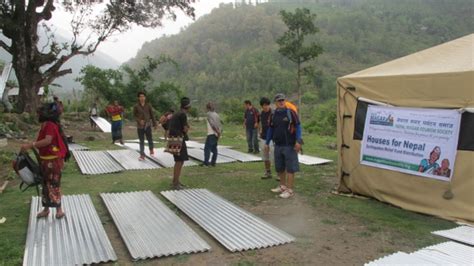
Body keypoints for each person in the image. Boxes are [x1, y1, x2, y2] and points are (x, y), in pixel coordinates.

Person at [21, 103, 68, 219]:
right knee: (45, 184)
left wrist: (30, 145)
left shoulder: (50, 125)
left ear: (44, 114)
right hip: (45, 160)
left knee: (54, 184)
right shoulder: (45, 125)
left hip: (53, 160)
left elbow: (47, 141)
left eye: (38, 113)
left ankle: (59, 210)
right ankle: (46, 209)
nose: (37, 115)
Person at [265, 93, 302, 199]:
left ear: (285, 101)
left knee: (290, 168)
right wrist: (267, 143)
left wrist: (298, 141)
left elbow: (298, 127)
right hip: (278, 145)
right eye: (279, 100)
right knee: (280, 167)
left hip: (289, 145)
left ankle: (289, 190)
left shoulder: (291, 113)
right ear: (275, 103)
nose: (281, 102)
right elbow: (271, 129)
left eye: (283, 100)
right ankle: (282, 186)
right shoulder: (273, 114)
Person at [167, 97, 192, 190]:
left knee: (179, 160)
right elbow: (185, 128)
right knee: (179, 161)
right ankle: (175, 183)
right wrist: (186, 130)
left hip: (174, 138)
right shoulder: (183, 114)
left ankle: (176, 181)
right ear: (188, 106)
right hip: (178, 138)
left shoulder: (177, 113)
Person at [133, 91, 157, 160]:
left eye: (143, 96)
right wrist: (139, 121)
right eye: (140, 97)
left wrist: (155, 124)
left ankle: (151, 150)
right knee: (141, 140)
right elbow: (134, 116)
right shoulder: (136, 106)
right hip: (140, 126)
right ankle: (142, 155)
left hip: (148, 125)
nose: (142, 98)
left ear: (145, 97)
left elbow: (152, 115)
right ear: (138, 98)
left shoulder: (148, 105)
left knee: (150, 138)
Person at [202, 102, 222, 167]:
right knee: (214, 148)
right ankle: (213, 163)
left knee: (207, 148)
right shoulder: (216, 114)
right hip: (216, 134)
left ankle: (206, 163)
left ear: (207, 108)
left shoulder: (208, 114)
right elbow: (219, 124)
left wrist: (216, 131)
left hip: (211, 133)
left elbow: (212, 124)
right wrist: (219, 133)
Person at [259, 97, 273, 179]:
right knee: (265, 156)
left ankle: (279, 174)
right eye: (264, 105)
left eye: (267, 105)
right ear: (262, 106)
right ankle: (268, 172)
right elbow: (260, 123)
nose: (266, 106)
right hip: (263, 137)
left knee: (274, 156)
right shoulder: (261, 114)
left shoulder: (273, 113)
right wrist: (259, 131)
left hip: (272, 138)